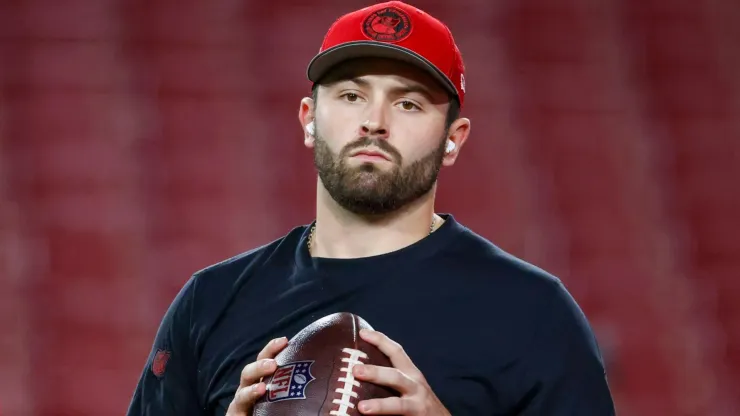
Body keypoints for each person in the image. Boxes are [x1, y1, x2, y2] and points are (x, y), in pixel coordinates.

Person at [126, 1, 616, 415]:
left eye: (408, 104)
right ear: (309, 119)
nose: (373, 122)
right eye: (352, 95)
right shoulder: (210, 302)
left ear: (453, 139)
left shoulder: (531, 312)